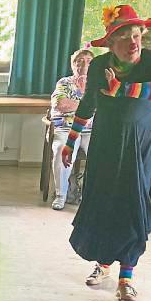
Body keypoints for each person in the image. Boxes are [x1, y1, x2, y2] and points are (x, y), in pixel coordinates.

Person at [62, 4, 151, 301]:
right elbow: (88, 102)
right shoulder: (101, 65)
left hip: (139, 143)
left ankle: (126, 276)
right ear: (112, 43)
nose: (133, 42)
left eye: (137, 35)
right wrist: (71, 140)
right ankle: (102, 264)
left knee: (132, 204)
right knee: (104, 200)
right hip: (106, 142)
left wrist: (124, 89)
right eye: (125, 36)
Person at [48, 49, 94, 210]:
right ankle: (61, 195)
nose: (84, 64)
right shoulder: (64, 83)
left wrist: (74, 105)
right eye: (79, 60)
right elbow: (59, 104)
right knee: (63, 149)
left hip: (91, 130)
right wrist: (89, 106)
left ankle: (93, 195)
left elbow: (106, 108)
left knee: (102, 152)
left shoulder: (97, 84)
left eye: (88, 60)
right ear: (73, 65)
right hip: (66, 128)